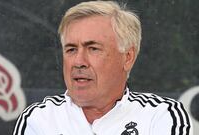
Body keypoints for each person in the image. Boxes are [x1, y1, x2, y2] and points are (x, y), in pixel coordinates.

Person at [13, 1, 193, 135]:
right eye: (71, 49)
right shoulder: (38, 118)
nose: (79, 61)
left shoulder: (162, 115)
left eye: (93, 48)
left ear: (127, 57)